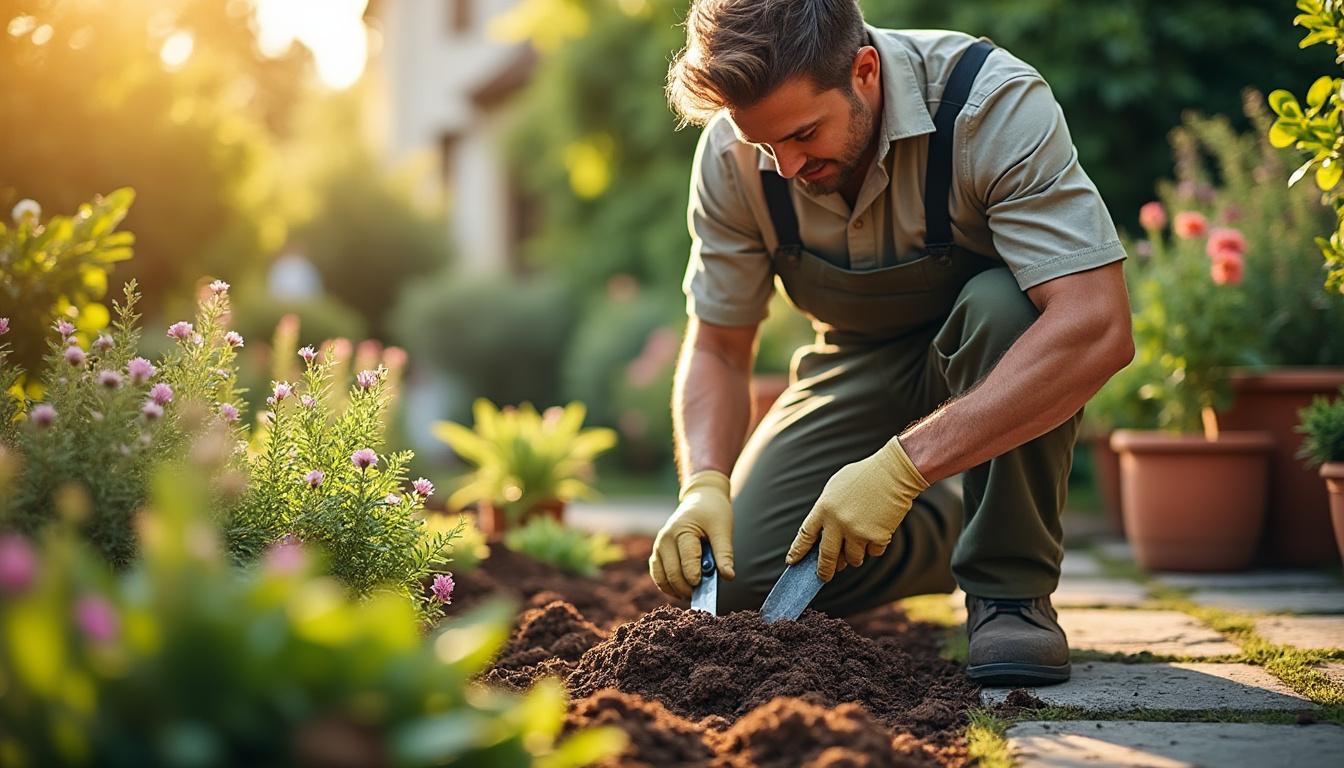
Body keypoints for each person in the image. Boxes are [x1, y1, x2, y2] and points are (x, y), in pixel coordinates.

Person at [648, 0, 1134, 686]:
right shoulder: (733, 156)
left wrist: (902, 467)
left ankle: (1008, 587)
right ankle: (952, 519)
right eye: (765, 146)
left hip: (989, 343)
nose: (783, 167)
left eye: (803, 134)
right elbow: (721, 347)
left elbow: (1096, 324)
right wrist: (702, 483)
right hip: (855, 360)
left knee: (1008, 307)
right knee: (742, 589)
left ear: (866, 71)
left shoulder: (986, 103)